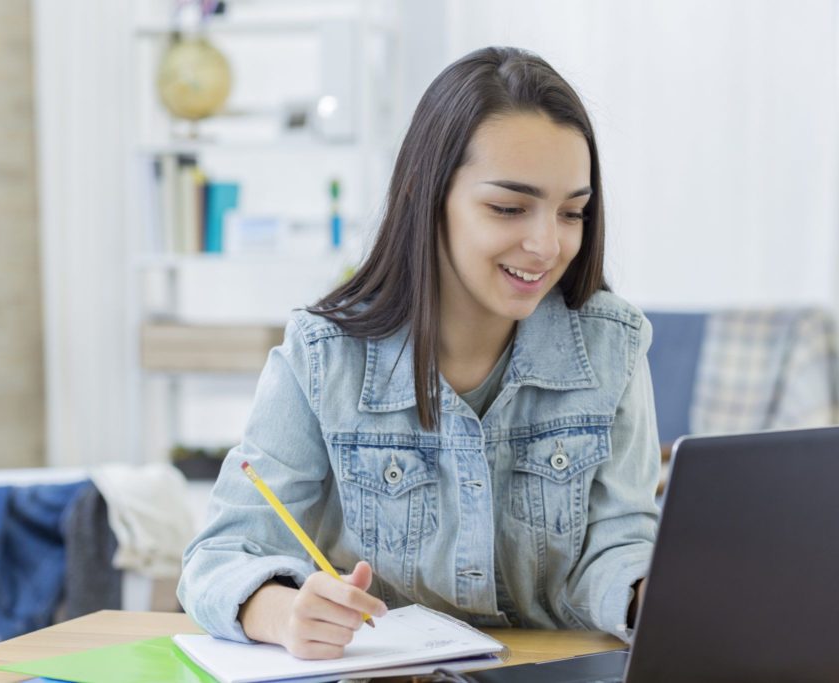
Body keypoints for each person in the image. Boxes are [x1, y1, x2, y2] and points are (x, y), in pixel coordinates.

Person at [178, 46, 660, 660]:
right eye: (508, 208)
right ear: (428, 198)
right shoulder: (325, 355)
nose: (547, 244)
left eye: (573, 212)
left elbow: (618, 543)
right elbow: (218, 558)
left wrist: (651, 592)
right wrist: (280, 610)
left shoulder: (612, 344)